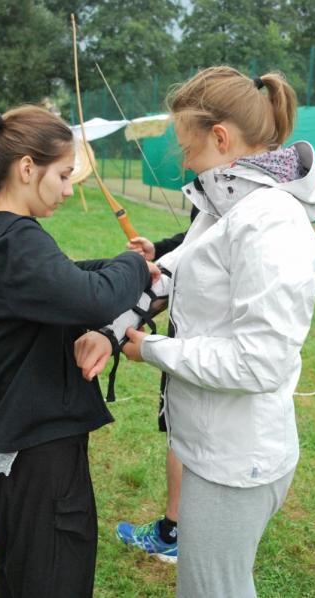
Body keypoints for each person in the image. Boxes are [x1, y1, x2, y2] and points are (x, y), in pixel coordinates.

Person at [75, 66, 315, 597]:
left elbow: (261, 363)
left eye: (187, 147)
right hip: (213, 450)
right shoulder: (224, 205)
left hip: (237, 462)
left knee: (212, 590)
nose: (184, 162)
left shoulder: (270, 222)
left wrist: (153, 350)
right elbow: (170, 274)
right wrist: (112, 326)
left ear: (220, 138)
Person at [0, 106, 159, 598]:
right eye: (62, 175)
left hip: (24, 449)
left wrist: (125, 270)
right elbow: (92, 296)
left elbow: (72, 279)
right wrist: (132, 264)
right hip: (39, 459)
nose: (67, 188)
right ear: (25, 168)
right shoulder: (15, 242)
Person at [115, 206, 199, 564]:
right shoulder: (222, 185)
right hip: (193, 336)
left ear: (221, 144)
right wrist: (160, 250)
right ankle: (185, 531)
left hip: (197, 342)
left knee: (183, 428)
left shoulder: (240, 189)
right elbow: (197, 237)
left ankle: (173, 534)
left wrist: (150, 347)